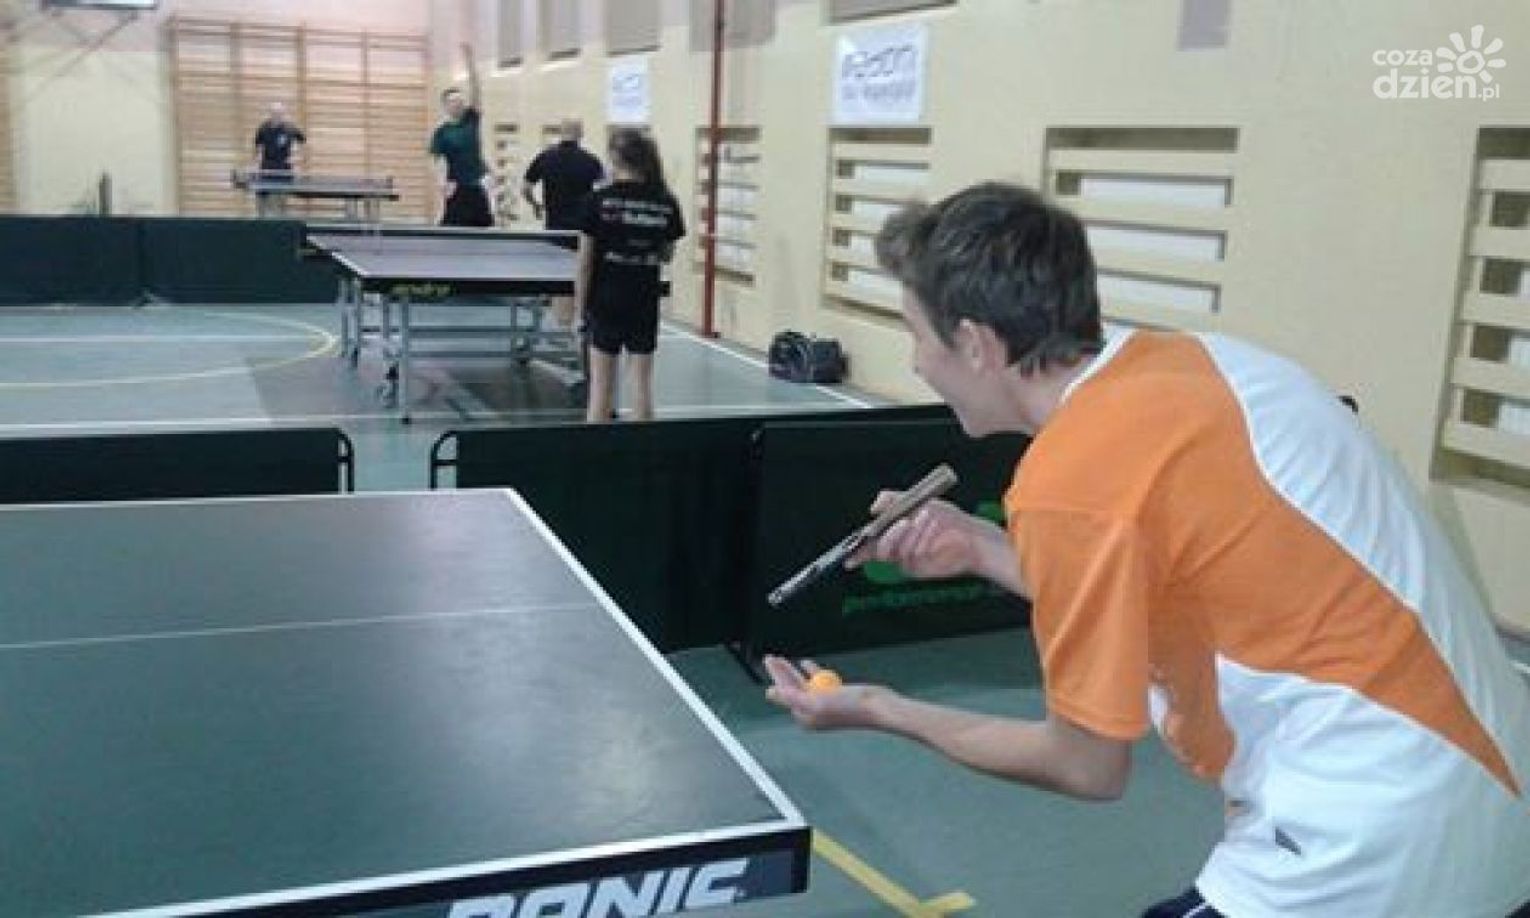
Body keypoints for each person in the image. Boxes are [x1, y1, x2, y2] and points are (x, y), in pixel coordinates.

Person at [763, 182, 1530, 918]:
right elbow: (1167, 578)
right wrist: (982, 547)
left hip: (1372, 840)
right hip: (1496, 805)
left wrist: (883, 709)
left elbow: (1085, 766)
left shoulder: (1070, 481)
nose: (916, 362)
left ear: (975, 344)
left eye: (917, 335)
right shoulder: (1201, 363)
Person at [574, 129, 684, 423]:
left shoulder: (597, 201)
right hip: (644, 298)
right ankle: (644, 449)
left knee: (600, 390)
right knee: (641, 385)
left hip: (606, 300)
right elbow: (667, 255)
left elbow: (584, 263)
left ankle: (595, 448)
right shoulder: (666, 202)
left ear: (614, 157)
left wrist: (579, 312)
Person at [523, 118, 605, 328]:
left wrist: (535, 205)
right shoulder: (591, 161)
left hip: (554, 232)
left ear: (561, 132)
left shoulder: (545, 157)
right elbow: (603, 193)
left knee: (557, 281)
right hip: (582, 233)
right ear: (581, 133)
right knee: (581, 275)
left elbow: (526, 187)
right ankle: (577, 322)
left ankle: (562, 325)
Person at [429, 43, 493, 228]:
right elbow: (435, 161)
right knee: (452, 229)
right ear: (446, 106)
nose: (458, 103)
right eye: (453, 101)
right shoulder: (442, 132)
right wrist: (441, 183)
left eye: (460, 100)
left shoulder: (471, 119)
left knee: (485, 229)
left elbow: (476, 90)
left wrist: (470, 62)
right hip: (456, 187)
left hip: (477, 185)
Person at [250, 102, 305, 217]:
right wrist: (255, 165)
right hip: (266, 170)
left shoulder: (290, 129)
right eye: (274, 113)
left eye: (279, 113)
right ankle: (261, 222)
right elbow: (257, 147)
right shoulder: (263, 128)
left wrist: (297, 158)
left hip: (283, 170)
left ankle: (280, 222)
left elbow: (303, 142)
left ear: (283, 114)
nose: (277, 116)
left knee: (279, 203)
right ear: (270, 114)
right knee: (261, 202)